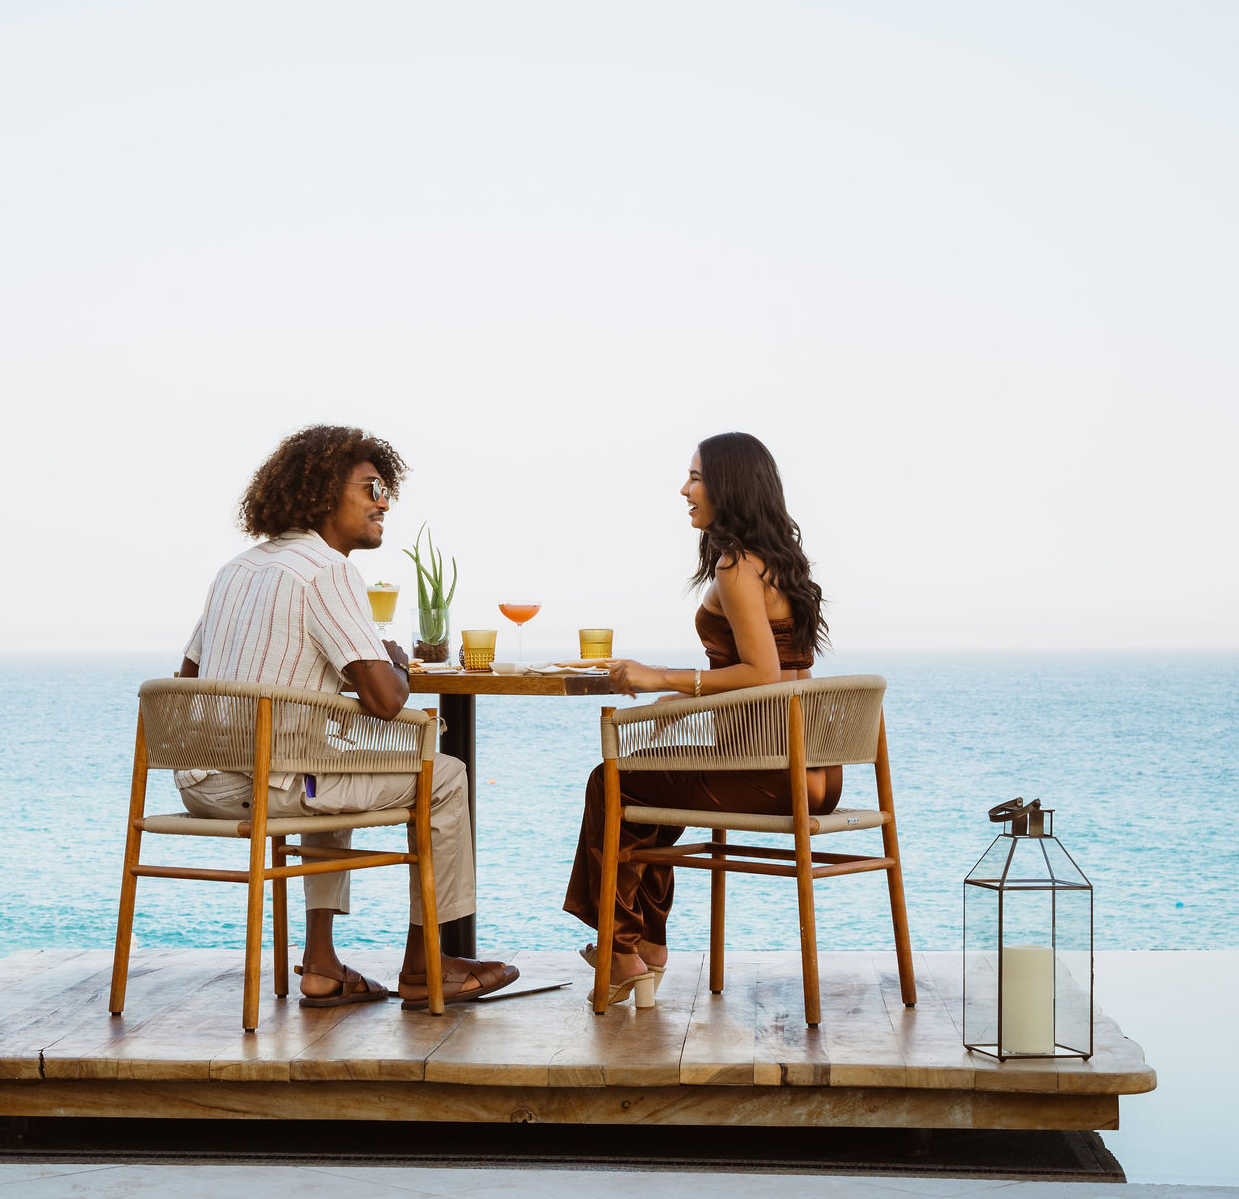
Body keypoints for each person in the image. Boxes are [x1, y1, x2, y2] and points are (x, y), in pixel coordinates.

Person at [177, 424, 519, 1008]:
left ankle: (321, 965)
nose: (384, 501)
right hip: (266, 786)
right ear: (322, 493)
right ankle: (426, 964)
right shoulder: (327, 571)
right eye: (371, 488)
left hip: (202, 784)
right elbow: (386, 701)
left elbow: (188, 678)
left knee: (322, 765)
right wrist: (393, 661)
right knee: (445, 775)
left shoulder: (236, 569)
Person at [562, 431, 836, 1003]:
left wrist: (658, 677)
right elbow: (779, 674)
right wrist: (682, 702)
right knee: (649, 784)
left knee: (611, 780)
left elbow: (760, 675)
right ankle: (647, 947)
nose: (684, 489)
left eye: (696, 477)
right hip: (817, 773)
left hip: (771, 774)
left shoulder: (738, 567)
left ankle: (620, 952)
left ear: (729, 486)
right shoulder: (780, 566)